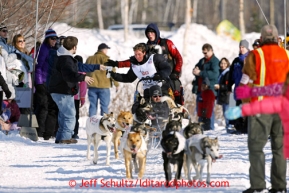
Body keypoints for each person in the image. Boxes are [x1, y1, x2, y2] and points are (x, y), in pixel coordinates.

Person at [235, 24, 288, 193]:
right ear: (277, 38)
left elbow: (244, 82)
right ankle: (279, 186)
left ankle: (258, 185)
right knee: (279, 149)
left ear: (262, 39)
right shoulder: (287, 55)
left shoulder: (255, 55)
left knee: (257, 147)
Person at [105, 23, 183, 104]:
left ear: (156, 33)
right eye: (148, 33)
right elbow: (138, 60)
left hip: (170, 73)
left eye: (152, 33)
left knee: (176, 93)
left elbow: (178, 57)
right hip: (154, 77)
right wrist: (117, 64)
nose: (150, 35)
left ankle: (180, 109)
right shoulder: (146, 47)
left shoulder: (167, 43)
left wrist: (176, 71)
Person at [48, 36, 104, 144]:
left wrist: (96, 66)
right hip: (62, 90)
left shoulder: (63, 57)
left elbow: (80, 67)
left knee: (63, 114)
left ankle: (60, 137)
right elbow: (69, 75)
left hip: (58, 89)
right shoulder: (66, 59)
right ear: (74, 47)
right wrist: (83, 77)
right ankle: (66, 138)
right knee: (70, 115)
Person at [34, 28, 58, 138]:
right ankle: (40, 132)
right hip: (42, 81)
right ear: (47, 39)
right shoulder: (43, 49)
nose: (55, 41)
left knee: (49, 107)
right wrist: (39, 83)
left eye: (56, 39)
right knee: (43, 107)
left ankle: (48, 132)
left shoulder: (53, 49)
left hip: (50, 82)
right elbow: (38, 67)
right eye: (52, 39)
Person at [85, 43, 119, 117]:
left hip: (92, 85)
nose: (107, 51)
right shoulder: (106, 59)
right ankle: (103, 124)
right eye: (106, 49)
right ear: (104, 50)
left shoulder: (89, 59)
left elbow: (85, 71)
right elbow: (112, 73)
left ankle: (92, 122)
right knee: (104, 106)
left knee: (92, 106)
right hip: (104, 87)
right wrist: (116, 84)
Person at [192, 43, 219, 130]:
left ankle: (210, 129)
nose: (205, 54)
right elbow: (196, 67)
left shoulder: (215, 61)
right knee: (200, 111)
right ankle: (201, 128)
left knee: (209, 110)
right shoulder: (202, 61)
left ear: (211, 51)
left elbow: (214, 74)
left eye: (206, 52)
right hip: (200, 90)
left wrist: (200, 73)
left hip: (209, 90)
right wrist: (195, 70)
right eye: (203, 53)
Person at [227, 39, 250, 134]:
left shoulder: (250, 58)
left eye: (243, 47)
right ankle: (237, 126)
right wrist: (229, 86)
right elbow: (231, 74)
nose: (241, 49)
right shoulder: (236, 61)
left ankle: (246, 128)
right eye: (240, 47)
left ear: (247, 48)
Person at [214, 58, 230, 133]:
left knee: (227, 113)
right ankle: (228, 127)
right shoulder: (222, 73)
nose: (222, 65)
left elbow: (228, 86)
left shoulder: (227, 73)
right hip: (223, 96)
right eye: (221, 63)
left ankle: (229, 128)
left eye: (224, 63)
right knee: (225, 112)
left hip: (227, 96)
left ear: (227, 64)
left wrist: (220, 86)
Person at [72, 55, 87, 139]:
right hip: (77, 97)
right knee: (75, 116)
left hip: (68, 96)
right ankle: (75, 132)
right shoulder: (82, 73)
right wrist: (83, 98)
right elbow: (83, 87)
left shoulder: (69, 70)